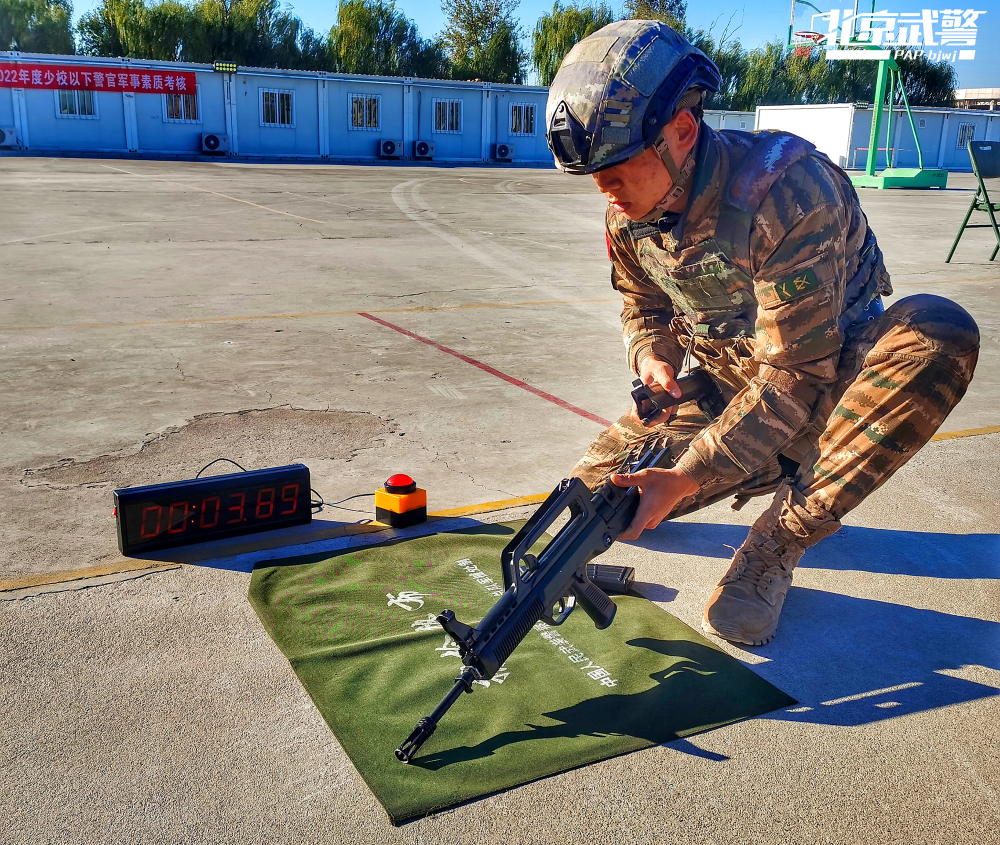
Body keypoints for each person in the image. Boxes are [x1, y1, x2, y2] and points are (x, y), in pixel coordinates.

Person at [545, 20, 980, 645]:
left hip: (833, 380)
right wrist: (652, 356)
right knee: (593, 502)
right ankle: (761, 465)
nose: (603, 189)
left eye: (616, 167)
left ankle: (777, 542)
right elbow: (643, 305)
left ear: (683, 132)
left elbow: (796, 376)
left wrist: (689, 473)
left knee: (939, 333)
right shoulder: (631, 212)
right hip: (730, 387)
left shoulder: (784, 190)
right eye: (593, 174)